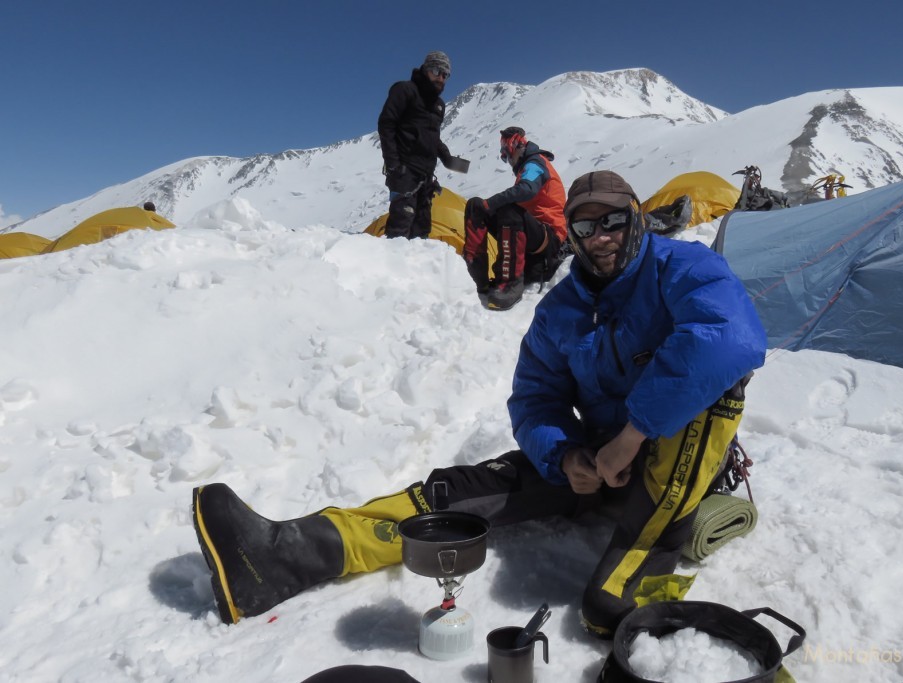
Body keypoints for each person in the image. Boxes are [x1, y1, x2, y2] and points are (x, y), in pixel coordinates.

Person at [191, 170, 767, 637]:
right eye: (584, 227)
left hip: (677, 458)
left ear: (637, 220)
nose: (600, 238)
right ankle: (285, 556)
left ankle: (653, 543)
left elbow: (732, 340)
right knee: (460, 493)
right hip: (600, 463)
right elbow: (534, 397)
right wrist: (564, 457)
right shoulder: (560, 309)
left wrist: (633, 434)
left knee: (604, 611)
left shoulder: (685, 269)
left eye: (613, 222)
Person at [463, 127, 567, 310]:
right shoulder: (527, 167)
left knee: (508, 209)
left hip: (550, 237)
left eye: (506, 154)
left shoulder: (535, 163)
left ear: (516, 146)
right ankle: (478, 279)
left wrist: (491, 203)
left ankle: (510, 284)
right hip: (532, 234)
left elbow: (527, 189)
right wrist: (485, 206)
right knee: (475, 206)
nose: (507, 160)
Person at [377, 51, 455, 240]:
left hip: (426, 177)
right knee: (400, 230)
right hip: (404, 171)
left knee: (422, 232)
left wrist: (448, 159)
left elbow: (431, 138)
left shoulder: (439, 105)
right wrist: (393, 164)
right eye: (437, 71)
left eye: (446, 75)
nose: (441, 78)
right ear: (426, 69)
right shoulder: (405, 90)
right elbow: (386, 124)